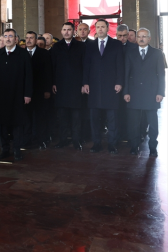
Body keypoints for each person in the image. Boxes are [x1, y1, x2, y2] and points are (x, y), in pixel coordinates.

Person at [0, 28, 33, 162]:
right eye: (6, 36)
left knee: (17, 124)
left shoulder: (23, 54)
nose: (8, 38)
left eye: (11, 36)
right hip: (2, 96)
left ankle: (17, 150)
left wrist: (27, 94)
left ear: (16, 39)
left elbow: (29, 76)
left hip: (18, 95)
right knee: (2, 124)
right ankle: (4, 149)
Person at [83, 19, 124, 154]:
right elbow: (86, 66)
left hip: (111, 87)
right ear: (95, 29)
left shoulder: (116, 44)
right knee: (94, 118)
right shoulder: (90, 45)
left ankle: (112, 144)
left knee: (112, 118)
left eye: (103, 27)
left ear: (107, 29)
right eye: (98, 27)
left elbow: (120, 66)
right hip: (94, 87)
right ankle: (97, 143)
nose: (100, 29)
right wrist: (85, 83)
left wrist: (119, 82)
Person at [123, 28, 165, 156]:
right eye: (139, 36)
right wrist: (126, 92)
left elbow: (161, 75)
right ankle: (134, 146)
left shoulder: (157, 53)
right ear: (137, 38)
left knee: (152, 123)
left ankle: (153, 147)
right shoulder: (130, 53)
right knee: (134, 122)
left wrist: (160, 93)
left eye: (144, 36)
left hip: (151, 93)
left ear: (149, 38)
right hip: (134, 92)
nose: (141, 38)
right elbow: (126, 74)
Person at [50, 22, 85, 150]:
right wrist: (53, 82)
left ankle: (76, 140)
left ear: (73, 31)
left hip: (76, 86)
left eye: (69, 29)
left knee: (76, 117)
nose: (66, 32)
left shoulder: (81, 46)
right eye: (64, 29)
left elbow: (85, 66)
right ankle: (63, 140)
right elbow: (52, 66)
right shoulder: (56, 47)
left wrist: (84, 83)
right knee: (62, 117)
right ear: (61, 31)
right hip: (61, 86)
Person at [23, 31, 52, 149]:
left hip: (40, 90)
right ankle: (27, 140)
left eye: (31, 38)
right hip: (24, 92)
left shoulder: (44, 53)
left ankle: (41, 140)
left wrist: (47, 90)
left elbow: (48, 72)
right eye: (27, 38)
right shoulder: (21, 53)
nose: (29, 40)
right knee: (26, 118)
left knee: (40, 117)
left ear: (36, 40)